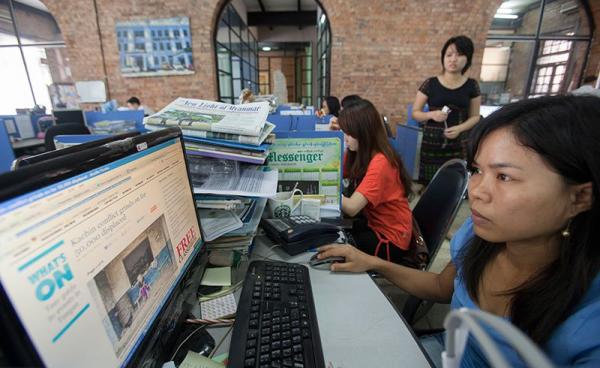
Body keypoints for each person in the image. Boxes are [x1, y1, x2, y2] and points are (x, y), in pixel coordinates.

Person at [317, 95, 600, 367]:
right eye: (477, 171)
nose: (476, 192)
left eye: (504, 176)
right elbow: (442, 286)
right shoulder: (477, 236)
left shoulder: (589, 325)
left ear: (580, 198)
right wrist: (371, 263)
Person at [339, 99, 414, 265]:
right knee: (331, 232)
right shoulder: (360, 153)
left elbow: (351, 207)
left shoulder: (381, 162)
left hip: (390, 240)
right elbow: (334, 170)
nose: (345, 139)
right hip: (374, 225)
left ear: (364, 133)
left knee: (334, 245)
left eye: (349, 133)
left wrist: (318, 189)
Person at [412, 35, 481, 184]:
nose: (453, 59)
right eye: (449, 55)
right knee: (429, 184)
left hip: (459, 144)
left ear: (468, 59)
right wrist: (432, 114)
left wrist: (460, 128)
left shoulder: (471, 85)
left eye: (459, 54)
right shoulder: (430, 83)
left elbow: (475, 116)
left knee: (454, 182)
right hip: (431, 145)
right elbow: (415, 113)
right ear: (443, 58)